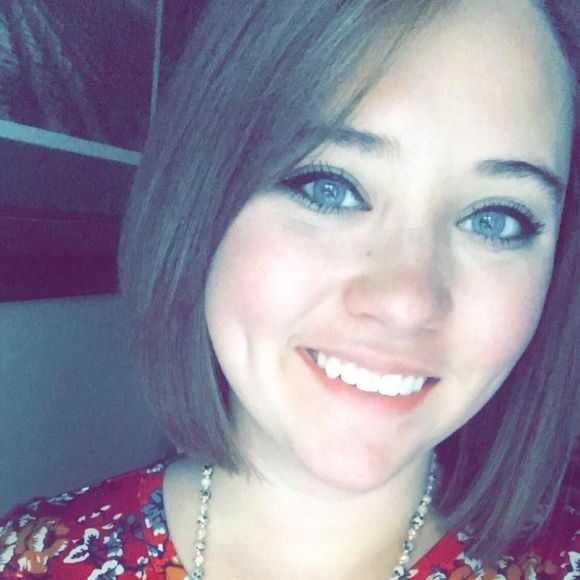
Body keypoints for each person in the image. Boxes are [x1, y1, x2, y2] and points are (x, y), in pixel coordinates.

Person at [1, 0, 578, 578]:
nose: (407, 302)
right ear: (202, 198)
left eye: (496, 220)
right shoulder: (32, 562)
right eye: (329, 187)